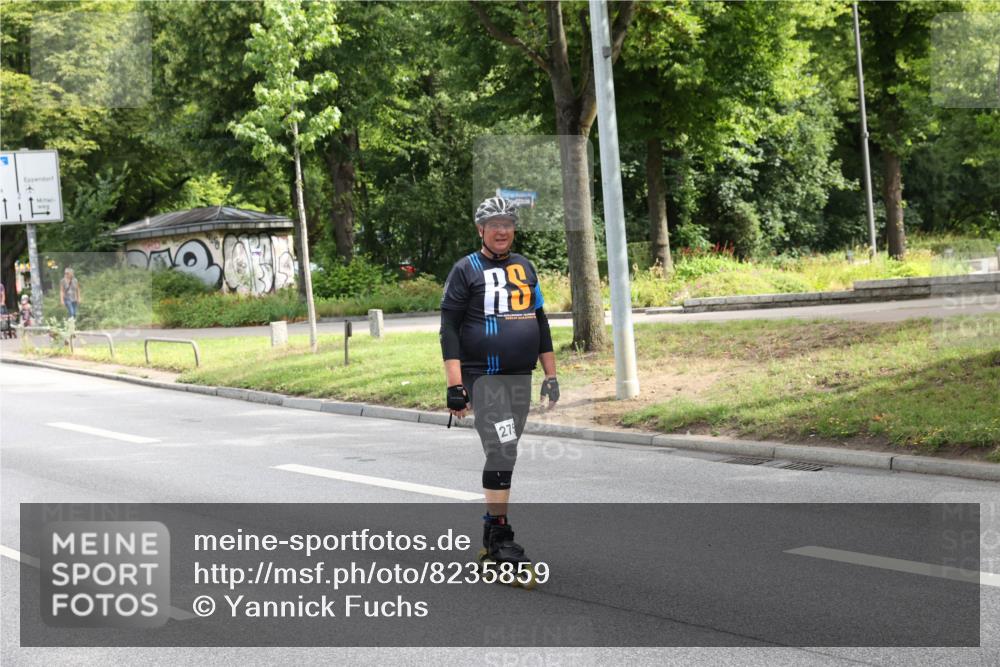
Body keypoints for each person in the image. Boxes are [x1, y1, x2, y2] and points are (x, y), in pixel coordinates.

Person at [439, 196, 559, 582]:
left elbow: (540, 322)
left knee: (507, 451)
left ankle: (492, 531)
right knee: (502, 447)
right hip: (484, 377)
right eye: (494, 225)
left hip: (520, 376)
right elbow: (449, 328)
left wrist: (551, 376)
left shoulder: (525, 266)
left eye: (507, 223)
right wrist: (455, 385)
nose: (502, 230)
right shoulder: (466, 269)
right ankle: (502, 536)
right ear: (481, 230)